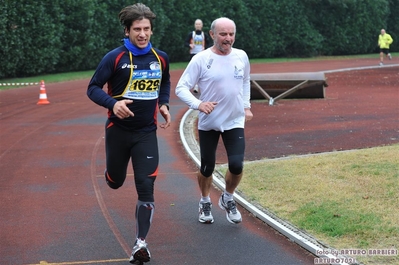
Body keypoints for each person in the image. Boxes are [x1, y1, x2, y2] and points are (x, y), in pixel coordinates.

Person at [87, 3, 171, 264]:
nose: (143, 34)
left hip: (146, 133)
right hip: (118, 131)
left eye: (147, 29)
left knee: (146, 186)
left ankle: (140, 243)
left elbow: (165, 81)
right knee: (115, 181)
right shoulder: (114, 58)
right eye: (137, 29)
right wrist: (113, 103)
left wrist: (164, 103)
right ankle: (111, 174)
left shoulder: (160, 58)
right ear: (127, 30)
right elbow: (93, 88)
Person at [175, 17, 253, 225]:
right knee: (207, 167)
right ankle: (204, 200)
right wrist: (198, 104)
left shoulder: (241, 56)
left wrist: (246, 107)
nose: (228, 39)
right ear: (212, 35)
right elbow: (181, 88)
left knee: (236, 165)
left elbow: (245, 81)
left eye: (231, 34)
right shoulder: (200, 59)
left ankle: (228, 197)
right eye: (223, 34)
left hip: (235, 120)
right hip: (209, 122)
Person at [184, 19, 210, 93]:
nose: (198, 25)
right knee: (193, 71)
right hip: (193, 54)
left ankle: (197, 86)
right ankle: (190, 85)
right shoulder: (191, 34)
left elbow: (209, 44)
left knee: (202, 71)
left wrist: (205, 48)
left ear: (202, 25)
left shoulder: (204, 35)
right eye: (196, 24)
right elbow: (185, 43)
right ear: (194, 25)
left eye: (199, 24)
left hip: (202, 55)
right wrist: (190, 45)